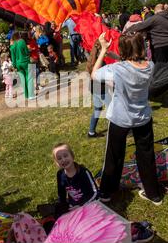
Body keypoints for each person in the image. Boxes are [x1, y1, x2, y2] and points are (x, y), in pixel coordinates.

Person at [91, 32, 162, 205]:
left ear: (123, 49)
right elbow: (130, 65)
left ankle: (107, 193)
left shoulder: (117, 70)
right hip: (143, 118)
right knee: (146, 155)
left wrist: (102, 52)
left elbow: (94, 74)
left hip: (120, 119)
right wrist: (111, 53)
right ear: (141, 46)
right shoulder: (150, 65)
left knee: (114, 156)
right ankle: (154, 194)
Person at [53, 143, 98, 213]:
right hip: (73, 207)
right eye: (59, 158)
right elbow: (61, 194)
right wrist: (64, 208)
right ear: (56, 162)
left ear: (72, 156)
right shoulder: (60, 174)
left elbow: (95, 193)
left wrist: (81, 206)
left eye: (65, 156)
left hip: (89, 204)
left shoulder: (83, 172)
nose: (63, 160)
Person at [86, 40, 109, 138]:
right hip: (102, 89)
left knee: (98, 109)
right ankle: (117, 130)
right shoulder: (100, 62)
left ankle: (91, 132)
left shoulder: (91, 59)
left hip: (94, 89)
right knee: (111, 110)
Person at [10, 32, 35, 100]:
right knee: (29, 78)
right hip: (25, 62)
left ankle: (26, 95)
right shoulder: (22, 41)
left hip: (18, 64)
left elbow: (13, 57)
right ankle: (31, 95)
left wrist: (14, 66)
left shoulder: (13, 46)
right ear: (19, 36)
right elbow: (26, 52)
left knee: (23, 79)